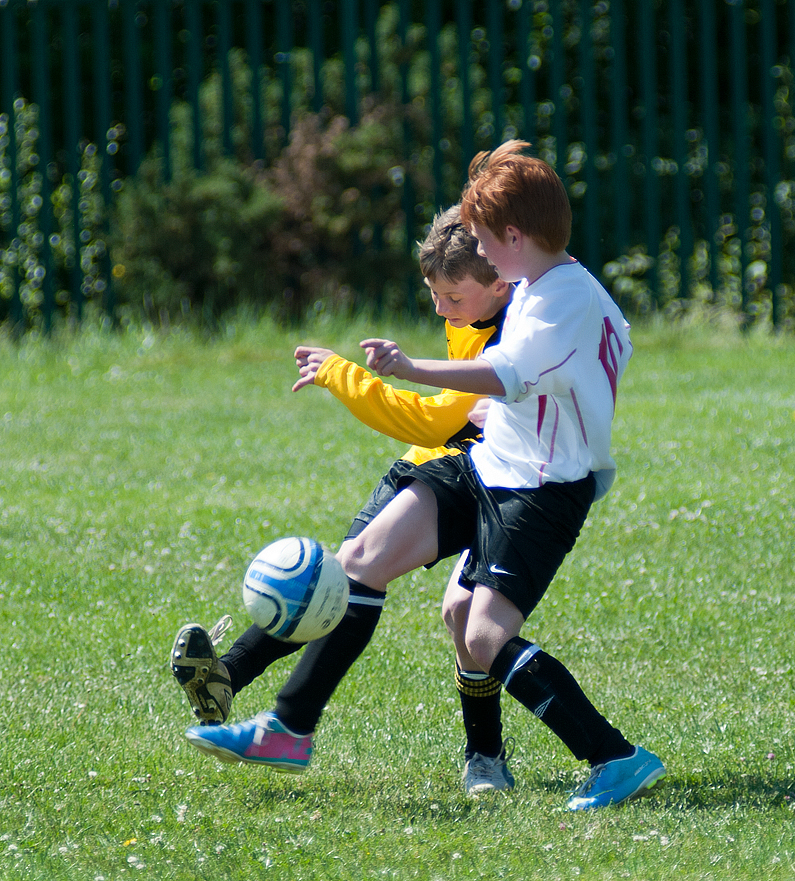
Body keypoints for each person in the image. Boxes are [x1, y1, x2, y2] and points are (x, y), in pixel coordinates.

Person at [183, 140, 666, 810]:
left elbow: (504, 373)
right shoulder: (545, 281)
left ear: (516, 237)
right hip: (487, 465)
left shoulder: (563, 299)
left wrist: (408, 368)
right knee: (361, 558)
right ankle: (288, 728)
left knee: (480, 633)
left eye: (485, 238)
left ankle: (615, 757)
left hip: (541, 491)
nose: (480, 250)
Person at [171, 205, 518, 794]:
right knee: (345, 576)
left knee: (441, 608)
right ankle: (231, 675)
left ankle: (483, 754)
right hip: (430, 463)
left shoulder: (511, 332)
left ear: (500, 282)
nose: (441, 310)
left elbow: (431, 418)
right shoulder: (476, 306)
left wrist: (342, 374)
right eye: (434, 295)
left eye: (452, 297)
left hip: (483, 477)